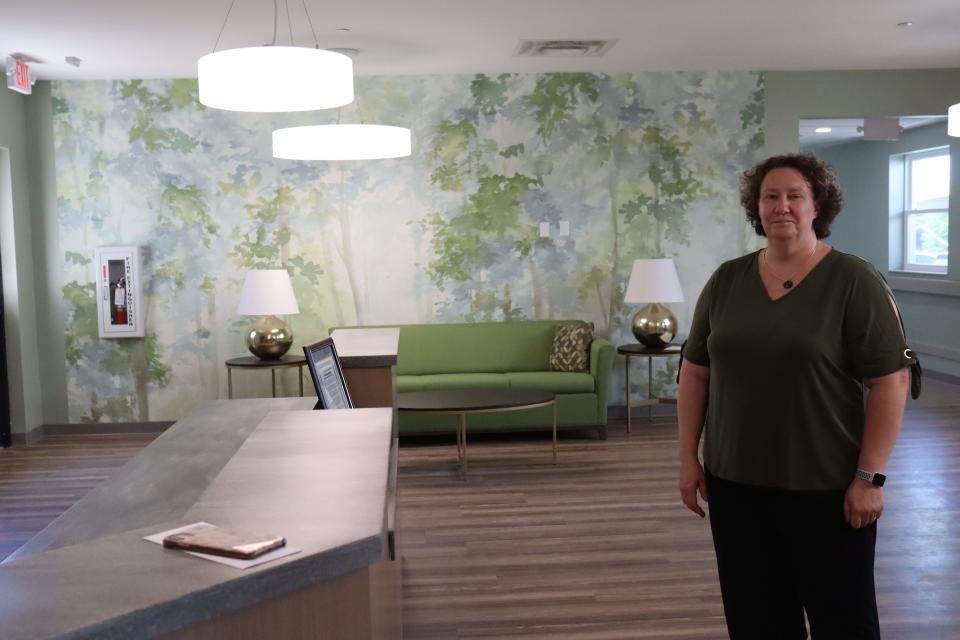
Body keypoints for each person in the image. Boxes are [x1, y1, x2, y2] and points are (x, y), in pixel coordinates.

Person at [677, 153, 914, 639]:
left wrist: (870, 477)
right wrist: (687, 457)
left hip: (825, 487)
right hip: (735, 483)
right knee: (756, 618)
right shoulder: (727, 280)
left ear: (816, 206)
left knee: (842, 620)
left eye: (794, 195)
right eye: (770, 196)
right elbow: (696, 371)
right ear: (756, 207)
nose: (781, 206)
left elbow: (891, 383)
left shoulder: (854, 281)